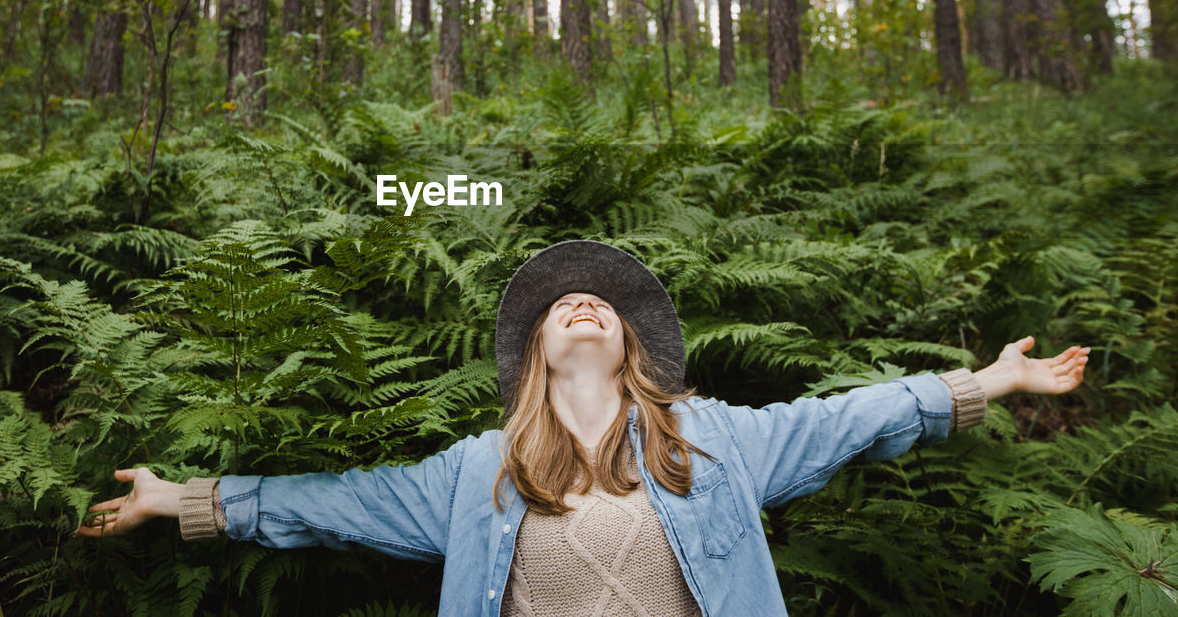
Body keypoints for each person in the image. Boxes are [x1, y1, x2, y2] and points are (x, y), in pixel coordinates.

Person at [74, 240, 1089, 616]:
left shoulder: (716, 440)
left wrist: (986, 382)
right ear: (534, 355)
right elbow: (332, 504)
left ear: (630, 344)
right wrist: (181, 498)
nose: (581, 302)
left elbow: (851, 417)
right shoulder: (478, 471)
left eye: (598, 301)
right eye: (560, 303)